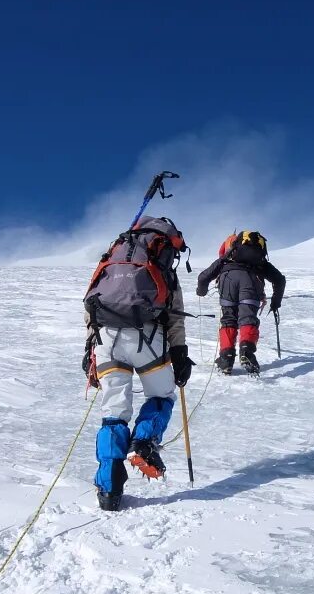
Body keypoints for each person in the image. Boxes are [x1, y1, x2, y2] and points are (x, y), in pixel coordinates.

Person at [82, 216, 194, 512]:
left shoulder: (114, 255)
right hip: (147, 337)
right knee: (161, 395)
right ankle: (143, 442)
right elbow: (175, 313)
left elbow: (90, 302)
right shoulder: (161, 264)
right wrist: (179, 352)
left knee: (114, 412)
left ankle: (109, 488)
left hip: (106, 339)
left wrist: (89, 348)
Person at [196, 231, 286, 375]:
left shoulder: (228, 255)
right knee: (248, 318)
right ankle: (247, 352)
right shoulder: (259, 261)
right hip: (251, 281)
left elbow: (203, 277)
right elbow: (280, 280)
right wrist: (275, 303)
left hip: (227, 280)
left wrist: (201, 290)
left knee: (228, 320)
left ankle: (226, 358)